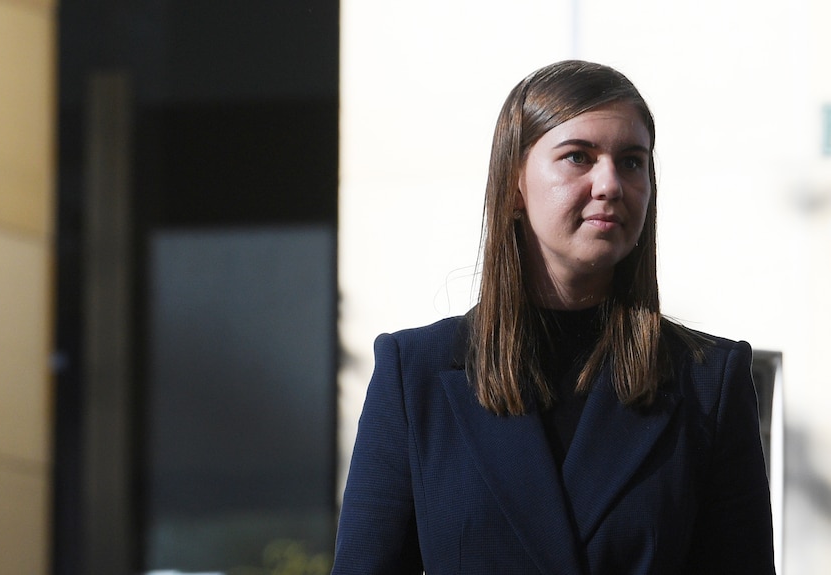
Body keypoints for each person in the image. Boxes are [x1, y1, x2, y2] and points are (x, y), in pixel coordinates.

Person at [331, 60, 775, 574]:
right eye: (578, 157)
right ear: (515, 184)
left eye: (632, 162)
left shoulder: (706, 380)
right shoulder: (416, 375)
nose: (609, 183)